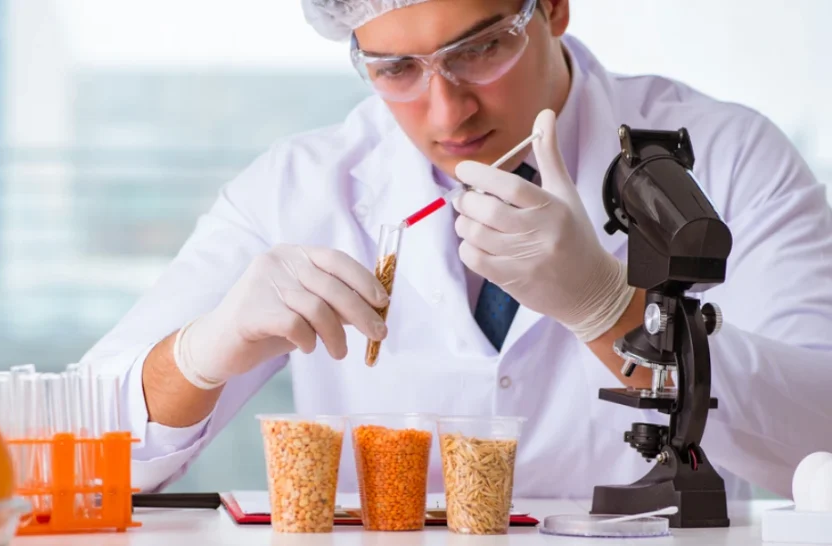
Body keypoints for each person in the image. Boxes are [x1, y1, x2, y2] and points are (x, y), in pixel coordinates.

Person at [80, 0, 832, 500]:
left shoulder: (731, 158)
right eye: (396, 69)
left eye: (480, 50)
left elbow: (819, 439)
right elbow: (82, 451)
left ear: (554, 8)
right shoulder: (298, 191)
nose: (446, 110)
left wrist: (610, 310)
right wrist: (205, 351)